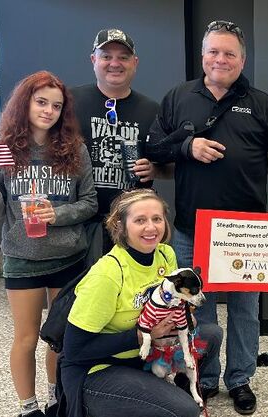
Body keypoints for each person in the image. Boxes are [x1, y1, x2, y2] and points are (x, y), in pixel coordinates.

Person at [148, 19, 268, 415]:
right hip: (190, 229)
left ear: (242, 59)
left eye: (229, 53)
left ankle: (240, 379)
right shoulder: (178, 96)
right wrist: (188, 146)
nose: (221, 59)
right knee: (198, 307)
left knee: (246, 310)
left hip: (246, 232)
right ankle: (205, 376)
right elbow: (153, 148)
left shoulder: (262, 102)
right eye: (214, 51)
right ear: (203, 56)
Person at [0, 71, 97, 417]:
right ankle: (27, 410)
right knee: (26, 337)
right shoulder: (4, 150)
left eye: (57, 105)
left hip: (68, 257)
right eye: (41, 102)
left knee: (59, 338)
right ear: (25, 102)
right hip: (22, 259)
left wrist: (58, 215)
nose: (49, 111)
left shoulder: (74, 148)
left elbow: (90, 203)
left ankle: (59, 398)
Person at [56, 188, 223, 417]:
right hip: (98, 368)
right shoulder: (107, 274)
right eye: (140, 220)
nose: (151, 228)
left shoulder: (165, 255)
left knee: (211, 334)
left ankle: (173, 394)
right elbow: (73, 351)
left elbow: (173, 300)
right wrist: (143, 336)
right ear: (120, 226)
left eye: (157, 219)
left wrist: (185, 317)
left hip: (144, 356)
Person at [72, 29, 160, 264]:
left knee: (132, 294)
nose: (114, 63)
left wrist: (155, 169)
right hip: (81, 222)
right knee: (82, 294)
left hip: (132, 225)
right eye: (106, 56)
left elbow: (169, 166)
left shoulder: (152, 110)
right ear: (93, 60)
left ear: (135, 62)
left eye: (123, 57)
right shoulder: (70, 101)